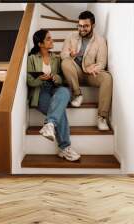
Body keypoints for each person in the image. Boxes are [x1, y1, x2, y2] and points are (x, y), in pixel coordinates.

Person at [27, 29, 81, 162]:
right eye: (49, 39)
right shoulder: (32, 59)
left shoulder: (56, 58)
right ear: (40, 44)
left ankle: (49, 124)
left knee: (65, 91)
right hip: (40, 91)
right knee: (60, 112)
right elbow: (29, 80)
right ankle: (65, 149)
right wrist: (41, 78)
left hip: (54, 89)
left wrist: (55, 77)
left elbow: (62, 78)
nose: (52, 41)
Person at [60, 10, 112, 131]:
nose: (82, 29)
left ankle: (102, 117)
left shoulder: (100, 41)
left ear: (93, 25)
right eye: (80, 25)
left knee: (107, 78)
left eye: (86, 26)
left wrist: (93, 68)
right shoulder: (71, 36)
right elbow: (62, 55)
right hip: (75, 72)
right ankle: (77, 95)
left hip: (90, 74)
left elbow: (102, 63)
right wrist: (70, 54)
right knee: (65, 62)